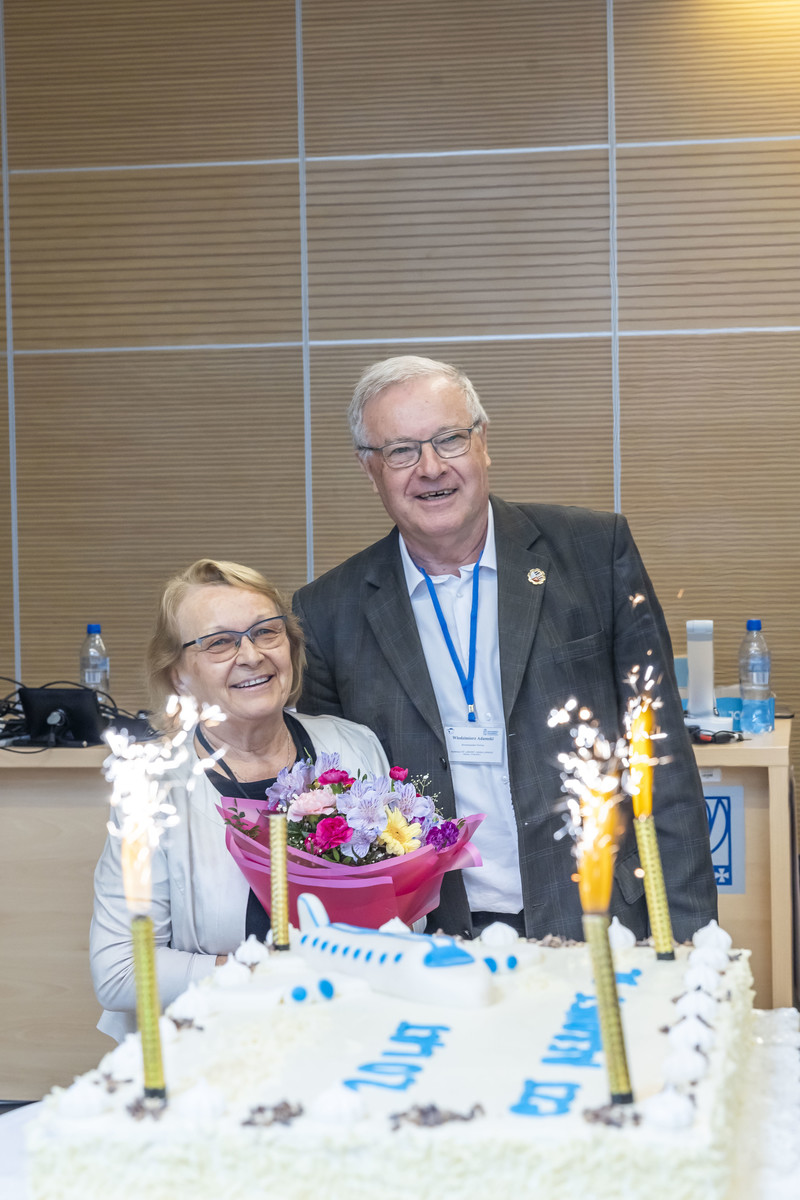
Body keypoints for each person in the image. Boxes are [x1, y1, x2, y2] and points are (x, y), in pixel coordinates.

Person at [293, 355, 718, 942]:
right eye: (401, 451)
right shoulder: (327, 611)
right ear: (370, 469)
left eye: (449, 439)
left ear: (483, 442)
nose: (431, 468)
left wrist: (691, 939)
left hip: (600, 918)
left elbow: (660, 754)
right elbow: (332, 806)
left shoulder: (594, 553)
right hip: (428, 938)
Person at [90, 559, 389, 1041]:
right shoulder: (152, 784)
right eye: (219, 643)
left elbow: (402, 911)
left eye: (266, 632)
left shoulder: (355, 746)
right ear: (179, 675)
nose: (251, 655)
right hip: (215, 1042)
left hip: (350, 1028)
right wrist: (269, 974)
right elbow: (121, 969)